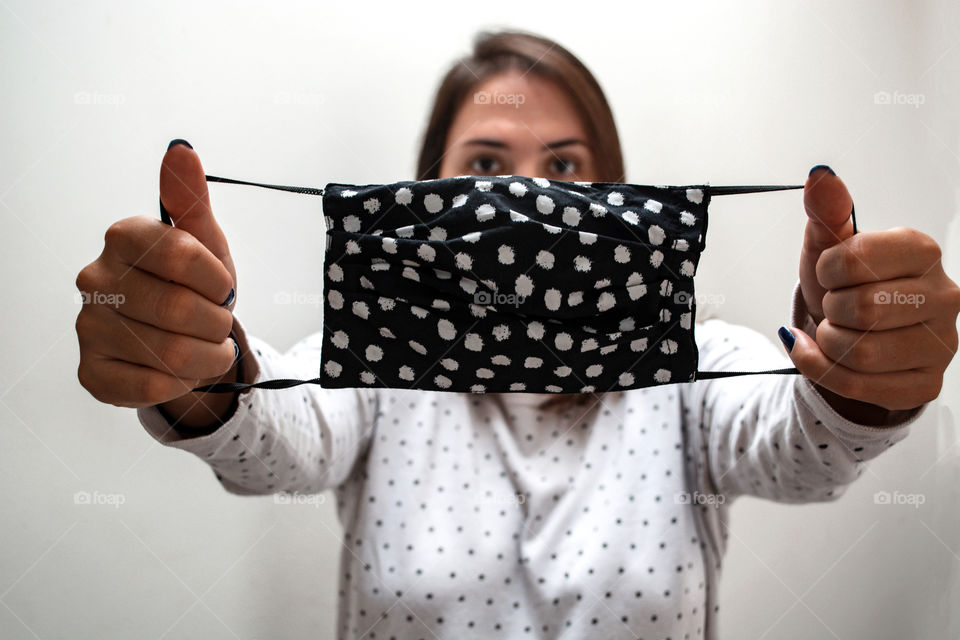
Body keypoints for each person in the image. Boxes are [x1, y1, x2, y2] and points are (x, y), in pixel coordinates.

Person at [75, 30, 960, 640]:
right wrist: (194, 365)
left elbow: (804, 445)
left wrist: (859, 376)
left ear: (619, 196)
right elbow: (272, 437)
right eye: (487, 166)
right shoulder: (381, 369)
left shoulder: (692, 367)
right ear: (427, 192)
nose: (527, 202)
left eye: (566, 167)